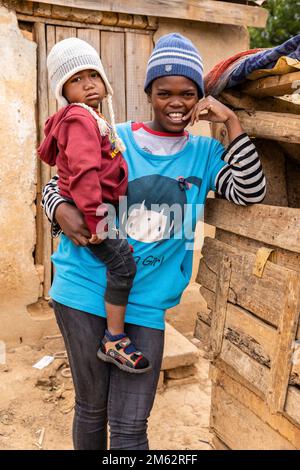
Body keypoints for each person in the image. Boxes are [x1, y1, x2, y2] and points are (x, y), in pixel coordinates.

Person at [42, 33, 266, 450]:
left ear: (201, 97)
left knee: (130, 427)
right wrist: (58, 209)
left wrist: (231, 123)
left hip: (147, 303)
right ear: (148, 94)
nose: (176, 103)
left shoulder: (204, 153)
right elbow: (57, 185)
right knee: (91, 409)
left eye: (188, 93)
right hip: (85, 287)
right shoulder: (112, 137)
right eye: (164, 92)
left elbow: (249, 191)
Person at [38, 38, 151, 374]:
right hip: (90, 212)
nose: (88, 84)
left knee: (120, 262)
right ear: (63, 88)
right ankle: (114, 339)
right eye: (76, 79)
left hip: (91, 209)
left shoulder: (94, 120)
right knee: (123, 265)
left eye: (93, 75)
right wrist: (96, 217)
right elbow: (84, 173)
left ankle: (113, 335)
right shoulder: (79, 120)